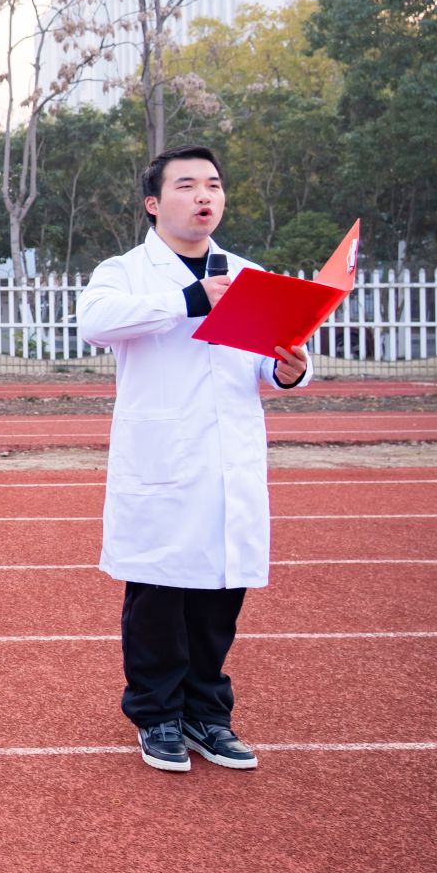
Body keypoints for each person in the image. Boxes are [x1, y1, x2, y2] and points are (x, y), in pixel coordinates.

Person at [78, 145, 311, 774]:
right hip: (163, 458)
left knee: (220, 594)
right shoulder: (125, 272)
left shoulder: (249, 275)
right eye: (186, 185)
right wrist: (190, 299)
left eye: (212, 184)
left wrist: (289, 369)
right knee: (159, 593)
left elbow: (267, 360)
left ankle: (207, 713)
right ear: (154, 204)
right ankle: (156, 714)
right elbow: (94, 323)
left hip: (229, 457)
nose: (203, 195)